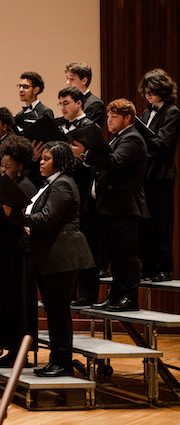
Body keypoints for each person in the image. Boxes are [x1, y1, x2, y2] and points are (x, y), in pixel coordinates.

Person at [6, 142, 94, 377]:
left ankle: (63, 363)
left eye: (46, 159)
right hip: (51, 257)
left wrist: (15, 216)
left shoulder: (63, 184)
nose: (41, 162)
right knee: (55, 311)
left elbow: (46, 218)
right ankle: (57, 360)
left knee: (58, 312)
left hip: (62, 257)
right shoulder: (52, 184)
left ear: (60, 161)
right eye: (41, 158)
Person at [72, 99, 147, 312]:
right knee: (115, 256)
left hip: (124, 208)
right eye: (108, 116)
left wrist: (86, 155)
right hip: (109, 208)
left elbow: (115, 161)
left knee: (127, 257)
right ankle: (115, 297)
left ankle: (129, 298)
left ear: (128, 118)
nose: (109, 120)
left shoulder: (133, 139)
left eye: (114, 117)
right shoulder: (117, 139)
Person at [0, 136, 37, 366]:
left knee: (15, 301)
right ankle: (7, 348)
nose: (3, 170)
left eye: (8, 167)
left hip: (14, 254)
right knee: (0, 300)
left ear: (20, 167)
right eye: (2, 166)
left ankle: (17, 352)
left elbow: (17, 221)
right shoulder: (4, 184)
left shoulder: (25, 187)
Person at [57, 87, 102, 307]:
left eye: (66, 103)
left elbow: (97, 163)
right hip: (65, 192)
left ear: (79, 103)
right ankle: (70, 291)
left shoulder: (90, 128)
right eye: (61, 104)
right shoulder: (59, 126)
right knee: (67, 244)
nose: (63, 108)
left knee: (87, 244)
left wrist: (81, 156)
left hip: (84, 194)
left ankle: (88, 293)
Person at [137, 69, 180, 282]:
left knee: (162, 222)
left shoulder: (172, 112)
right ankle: (149, 265)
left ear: (163, 90)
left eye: (152, 90)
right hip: (146, 174)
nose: (148, 95)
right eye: (146, 91)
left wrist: (140, 139)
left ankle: (164, 267)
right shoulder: (146, 113)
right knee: (146, 222)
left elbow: (163, 144)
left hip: (162, 175)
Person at [65, 61, 106, 128]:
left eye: (72, 79)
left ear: (84, 81)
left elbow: (90, 132)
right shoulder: (69, 102)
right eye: (67, 78)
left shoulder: (95, 104)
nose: (68, 83)